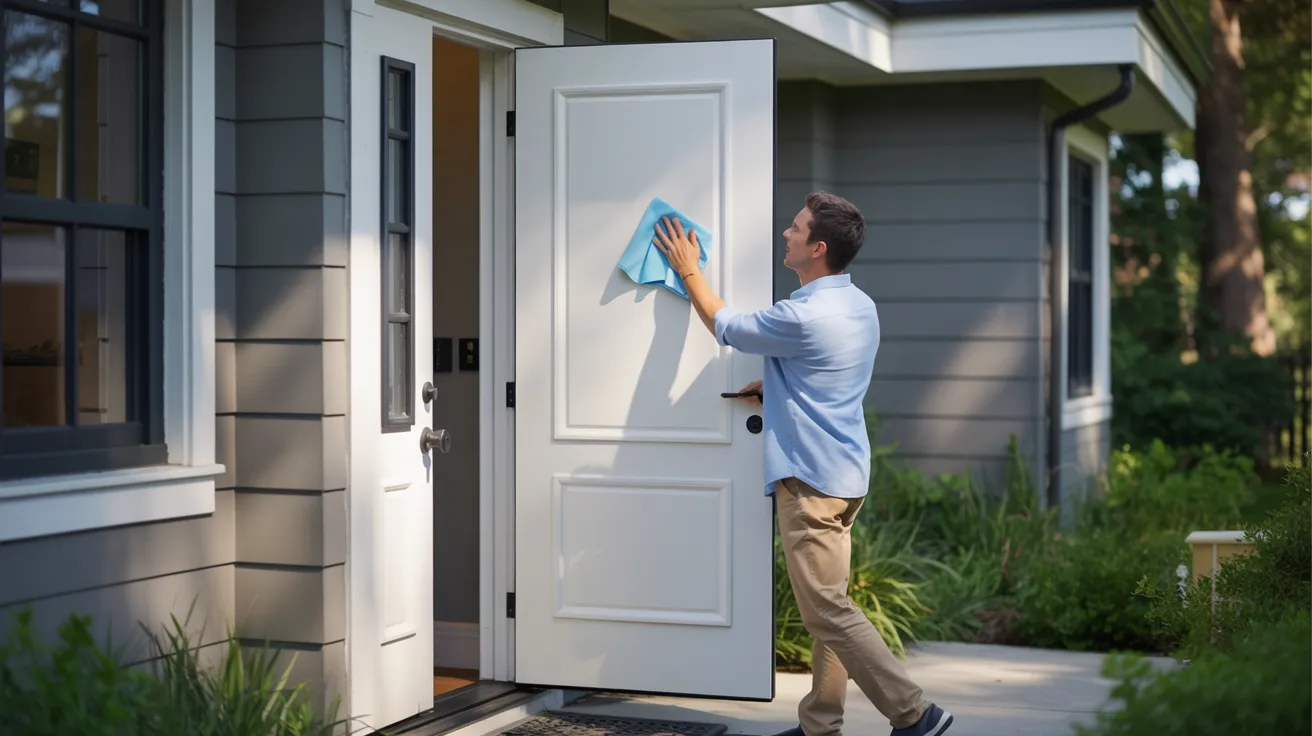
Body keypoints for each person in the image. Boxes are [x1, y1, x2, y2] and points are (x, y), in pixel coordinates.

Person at [652, 191, 954, 736]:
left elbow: (724, 325)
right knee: (831, 607)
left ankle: (915, 715)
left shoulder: (802, 316)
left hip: (811, 482)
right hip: (845, 476)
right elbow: (828, 377)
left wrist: (688, 268)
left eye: (795, 228)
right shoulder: (859, 306)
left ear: (818, 248)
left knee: (825, 612)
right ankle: (821, 725)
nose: (785, 234)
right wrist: (777, 389)